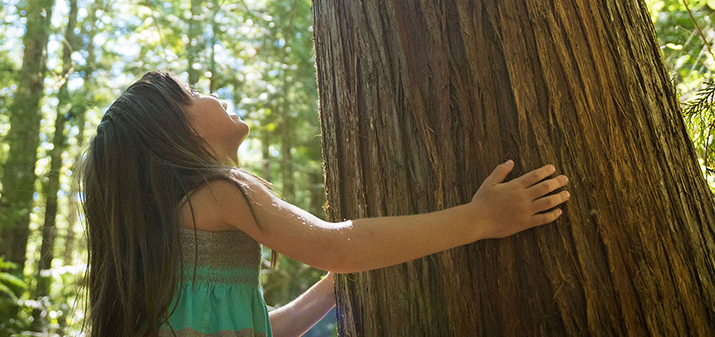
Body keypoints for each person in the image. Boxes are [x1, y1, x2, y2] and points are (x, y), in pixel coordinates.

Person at [79, 71, 570, 337]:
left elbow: (254, 329)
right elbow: (340, 245)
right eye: (190, 92)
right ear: (173, 134)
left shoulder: (175, 249)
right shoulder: (223, 193)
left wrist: (329, 293)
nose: (208, 91)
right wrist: (480, 217)